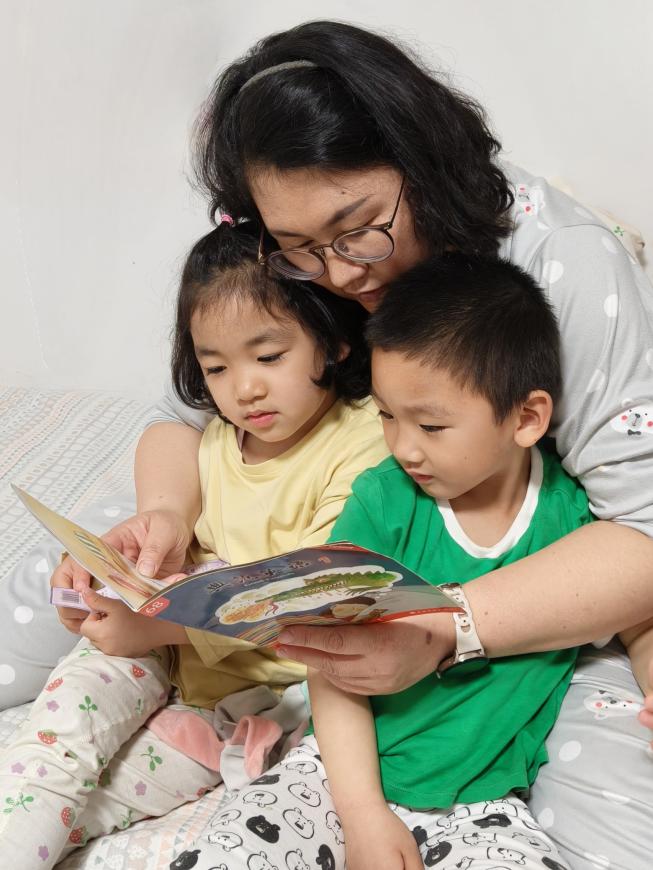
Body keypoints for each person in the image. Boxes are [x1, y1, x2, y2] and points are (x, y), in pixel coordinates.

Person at [53, 20, 653, 868]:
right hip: (307, 535)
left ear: (423, 162)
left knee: (618, 825)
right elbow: (186, 410)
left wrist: (445, 628)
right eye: (300, 248)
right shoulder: (294, 259)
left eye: (357, 229)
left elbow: (642, 530)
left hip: (539, 597)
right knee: (69, 584)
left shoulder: (566, 267)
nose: (338, 275)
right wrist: (165, 516)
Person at [177, 254, 587, 870]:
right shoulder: (381, 500)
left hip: (484, 803)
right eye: (389, 416)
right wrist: (363, 813)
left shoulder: (571, 520)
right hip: (334, 778)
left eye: (431, 425)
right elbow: (331, 665)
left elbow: (633, 609)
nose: (403, 447)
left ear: (526, 418)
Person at [2, 221, 387, 868]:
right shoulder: (215, 434)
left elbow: (309, 598)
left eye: (269, 357)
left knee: (98, 804)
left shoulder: (363, 443)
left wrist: (154, 627)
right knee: (51, 755)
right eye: (216, 367)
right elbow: (165, 464)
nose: (244, 388)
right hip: (163, 647)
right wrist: (109, 575)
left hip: (262, 692)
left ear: (334, 340)